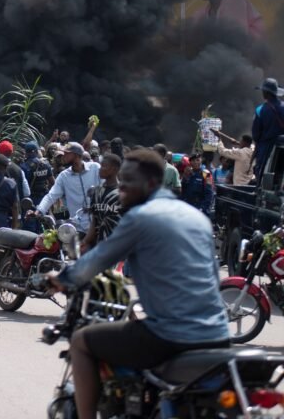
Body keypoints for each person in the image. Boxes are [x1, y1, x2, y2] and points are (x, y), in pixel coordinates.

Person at [48, 150, 229, 419]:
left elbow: (95, 261)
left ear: (151, 183)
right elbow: (213, 278)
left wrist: (60, 280)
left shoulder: (141, 217)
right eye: (120, 181)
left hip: (170, 336)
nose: (121, 188)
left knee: (81, 341)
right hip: (218, 335)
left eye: (127, 182)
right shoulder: (197, 219)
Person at [36, 142, 101, 233]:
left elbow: (107, 190)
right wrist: (39, 211)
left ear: (76, 155)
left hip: (99, 226)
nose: (63, 156)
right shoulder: (64, 176)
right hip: (77, 228)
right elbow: (51, 195)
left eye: (66, 153)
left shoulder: (95, 168)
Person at [80, 154, 122, 252]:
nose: (100, 168)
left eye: (104, 166)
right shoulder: (97, 192)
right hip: (99, 248)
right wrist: (84, 242)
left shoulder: (124, 193)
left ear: (114, 169)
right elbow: (94, 222)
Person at [252, 78, 284, 180]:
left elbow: (256, 135)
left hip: (266, 150)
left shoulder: (260, 110)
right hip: (282, 149)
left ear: (266, 92)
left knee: (261, 178)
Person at [21, 141, 55, 206]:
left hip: (30, 200)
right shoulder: (46, 164)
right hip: (44, 199)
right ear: (36, 151)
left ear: (26, 152)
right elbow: (53, 182)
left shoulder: (24, 167)